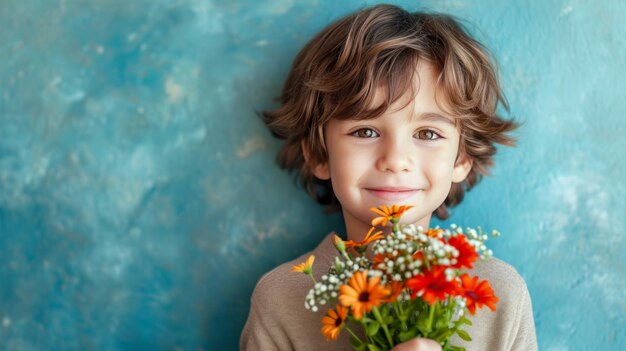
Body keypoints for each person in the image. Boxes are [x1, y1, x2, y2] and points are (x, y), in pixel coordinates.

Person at [240, 4, 537, 350]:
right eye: (365, 131)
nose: (395, 160)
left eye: (427, 134)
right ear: (320, 155)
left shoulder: (501, 293)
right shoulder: (279, 299)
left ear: (463, 157)